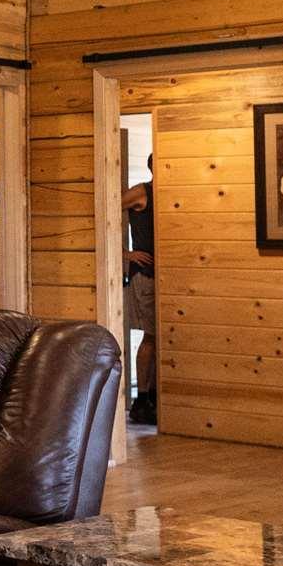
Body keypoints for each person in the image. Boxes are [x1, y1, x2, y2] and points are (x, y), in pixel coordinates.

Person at [123, 177, 157, 426]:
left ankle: (153, 397)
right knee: (150, 336)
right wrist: (126, 253)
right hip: (145, 276)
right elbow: (103, 209)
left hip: (163, 275)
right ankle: (141, 400)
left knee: (159, 338)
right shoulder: (141, 193)